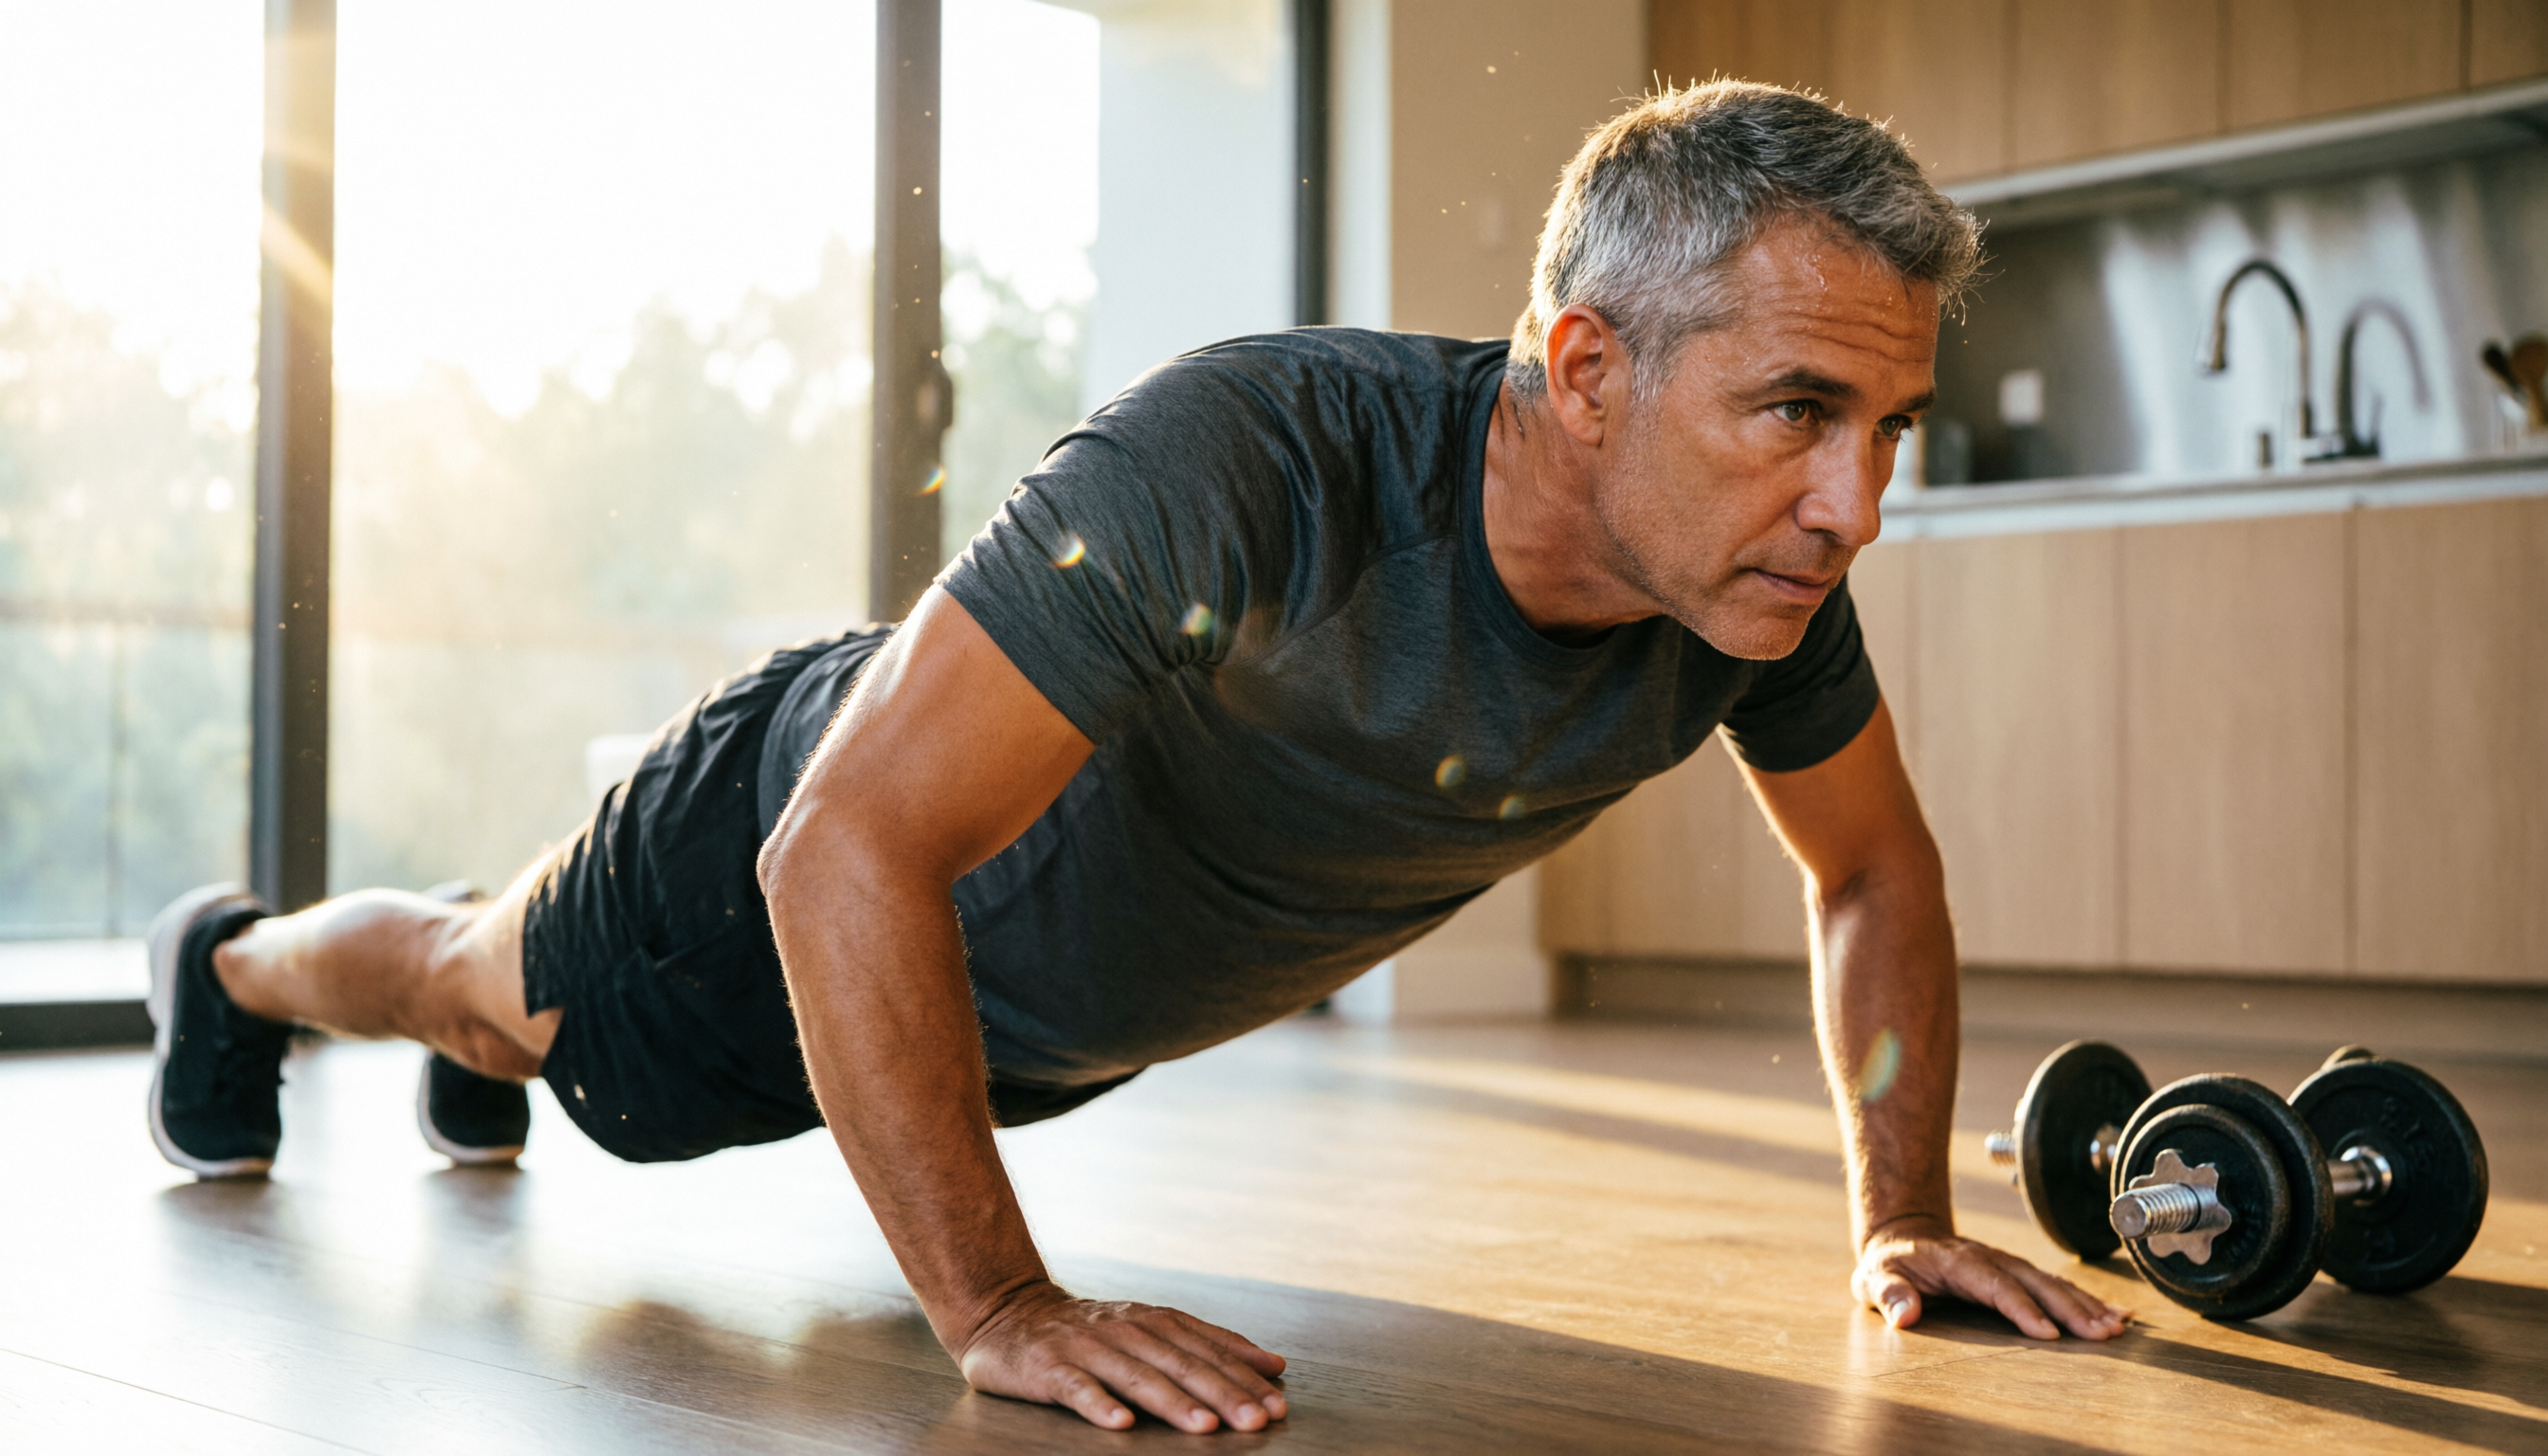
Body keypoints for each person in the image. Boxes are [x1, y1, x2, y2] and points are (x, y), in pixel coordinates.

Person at [143, 82, 2130, 1436]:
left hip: (1008, 1026)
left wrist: (1895, 1216)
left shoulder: (1744, 606)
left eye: (1889, 429)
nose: (1853, 505)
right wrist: (1001, 1307)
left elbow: (1870, 872)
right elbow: (843, 848)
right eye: (1796, 412)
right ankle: (229, 963)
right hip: (757, 880)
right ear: (1588, 368)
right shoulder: (1256, 457)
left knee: (498, 1006)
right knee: (482, 994)